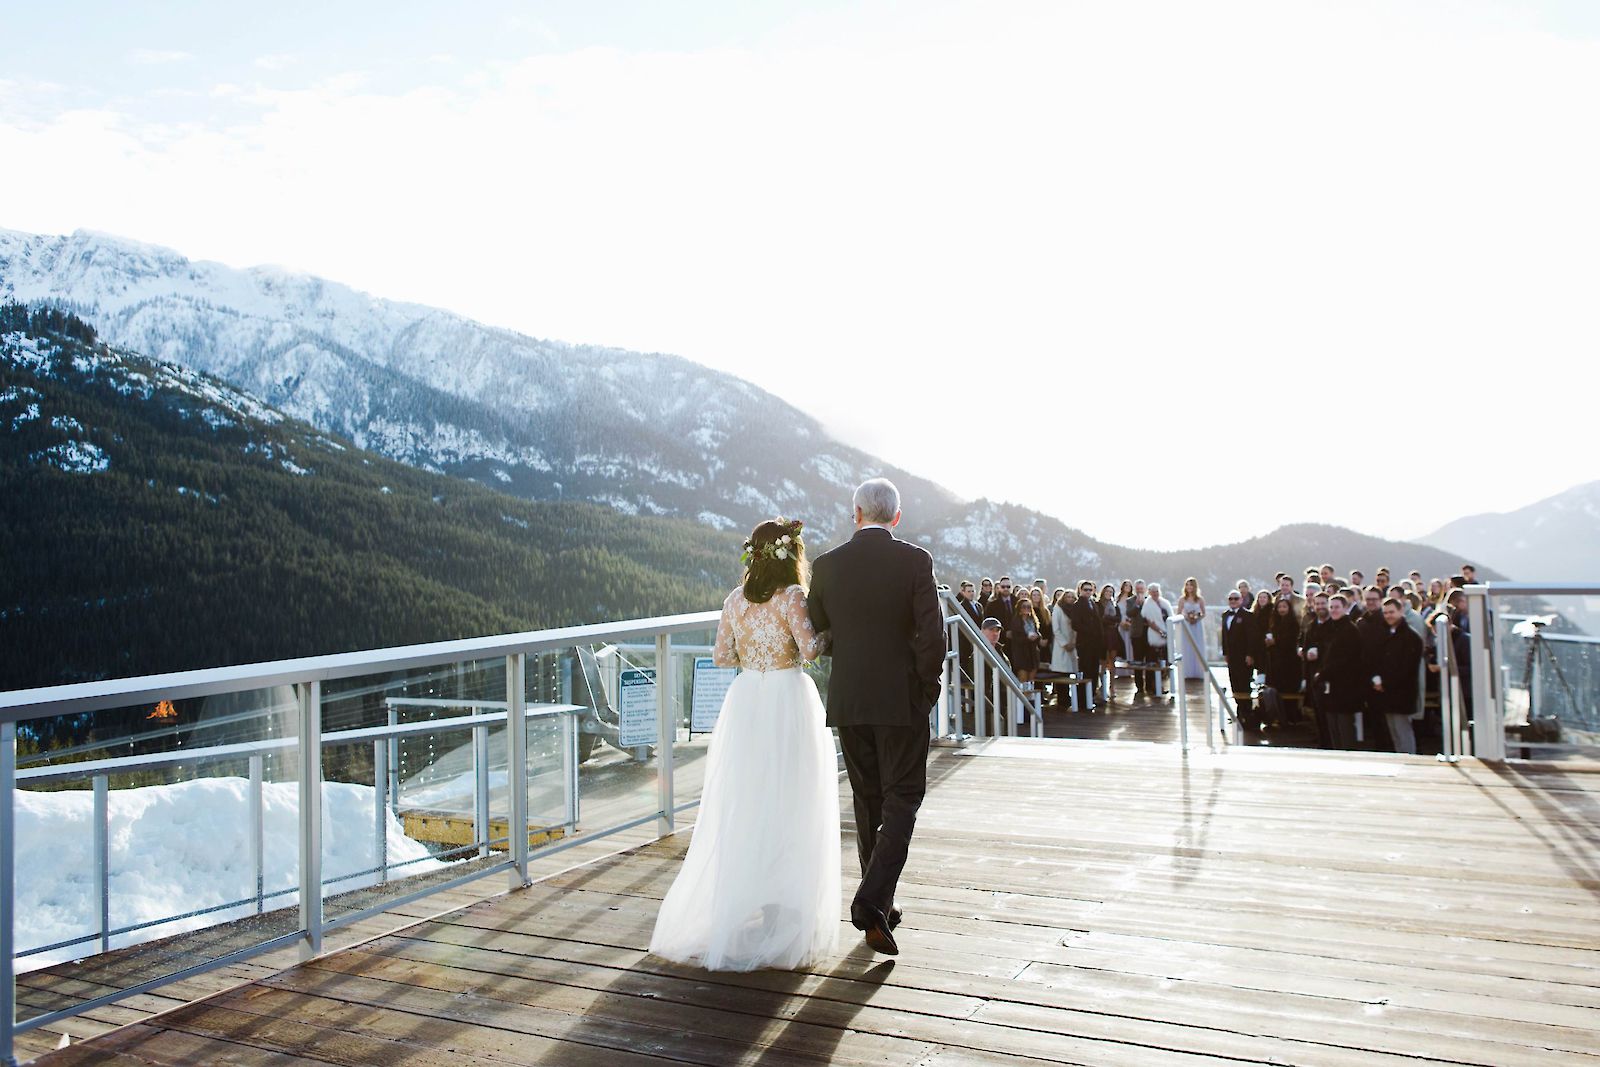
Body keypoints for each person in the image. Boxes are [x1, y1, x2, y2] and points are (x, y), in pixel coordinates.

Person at [650, 517, 839, 972]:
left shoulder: (734, 601)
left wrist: (752, 655)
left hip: (747, 700)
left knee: (748, 799)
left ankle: (748, 894)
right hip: (786, 699)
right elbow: (810, 649)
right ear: (790, 555)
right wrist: (832, 634)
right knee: (793, 798)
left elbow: (720, 655)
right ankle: (785, 903)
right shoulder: (792, 597)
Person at [806, 478, 944, 956]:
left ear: (857, 513)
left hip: (849, 700)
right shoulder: (915, 561)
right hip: (901, 702)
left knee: (866, 801)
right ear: (896, 517)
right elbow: (933, 635)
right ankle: (870, 901)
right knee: (903, 799)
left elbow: (816, 630)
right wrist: (927, 689)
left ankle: (878, 905)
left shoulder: (825, 566)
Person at [1370, 596, 1425, 754]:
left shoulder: (1411, 637)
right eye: (1385, 613)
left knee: (1403, 732)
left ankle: (1409, 762)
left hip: (1402, 693)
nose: (1388, 616)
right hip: (1386, 692)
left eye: (1392, 612)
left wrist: (1385, 683)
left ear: (1401, 611)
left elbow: (1406, 668)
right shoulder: (1386, 633)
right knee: (1394, 732)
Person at [1317, 594, 1365, 749]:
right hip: (1331, 685)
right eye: (1331, 607)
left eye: (1337, 607)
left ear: (1345, 608)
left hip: (1346, 686)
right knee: (1333, 726)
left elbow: (1345, 660)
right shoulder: (1329, 628)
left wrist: (1324, 673)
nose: (1333, 610)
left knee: (1344, 728)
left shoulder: (1350, 630)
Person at [1263, 596, 1303, 723]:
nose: (1281, 609)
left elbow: (1290, 641)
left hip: (1289, 661)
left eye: (1284, 607)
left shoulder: (1293, 623)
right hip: (1275, 661)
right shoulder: (1274, 623)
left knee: (1288, 690)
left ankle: (1291, 716)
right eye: (1279, 607)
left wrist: (1276, 641)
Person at [1220, 590, 1255, 720]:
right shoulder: (1225, 615)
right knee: (1234, 683)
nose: (1233, 601)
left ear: (1241, 600)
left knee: (1245, 683)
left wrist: (1250, 654)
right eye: (1230, 599)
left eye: (1236, 599)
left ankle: (1247, 712)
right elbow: (1224, 636)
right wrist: (1225, 653)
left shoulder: (1248, 615)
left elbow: (1251, 637)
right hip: (1232, 656)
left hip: (1244, 655)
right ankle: (1239, 711)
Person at [1070, 580, 1105, 710]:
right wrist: (1089, 630)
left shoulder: (1094, 604)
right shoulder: (1077, 605)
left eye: (1090, 590)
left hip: (1095, 643)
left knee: (1094, 671)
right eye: (1085, 590)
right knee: (1085, 671)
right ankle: (1082, 700)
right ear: (1080, 590)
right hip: (1085, 643)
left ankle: (1091, 696)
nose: (1088, 592)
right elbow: (1075, 624)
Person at [1141, 582, 1172, 694]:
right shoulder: (1148, 604)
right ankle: (1151, 686)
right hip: (1155, 635)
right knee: (1153, 662)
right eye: (1153, 592)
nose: (1155, 593)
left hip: (1166, 634)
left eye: (1157, 591)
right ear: (1149, 593)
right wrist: (1160, 632)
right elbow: (1150, 621)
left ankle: (1161, 685)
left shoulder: (1164, 603)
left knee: (1164, 662)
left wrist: (1168, 632)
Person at [1049, 588, 1078, 706]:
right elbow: (1056, 628)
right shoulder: (1058, 609)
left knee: (1070, 672)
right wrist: (1064, 643)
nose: (1070, 599)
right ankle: (1062, 699)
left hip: (1072, 644)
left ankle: (1069, 698)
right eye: (1068, 597)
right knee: (1061, 673)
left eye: (1072, 597)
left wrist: (1073, 642)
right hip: (1061, 645)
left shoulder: (1075, 610)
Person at [1178, 577, 1207, 680]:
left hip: (1197, 625)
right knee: (1187, 647)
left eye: (1191, 585)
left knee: (1198, 646)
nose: (1189, 587)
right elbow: (1178, 613)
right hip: (1186, 625)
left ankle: (1198, 671)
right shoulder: (1182, 599)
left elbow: (1204, 613)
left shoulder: (1200, 599)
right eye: (1187, 585)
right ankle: (1188, 672)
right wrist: (1187, 617)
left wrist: (1197, 618)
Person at [1098, 582, 1122, 699]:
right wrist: (1110, 620)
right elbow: (1100, 619)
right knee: (1102, 662)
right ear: (1103, 592)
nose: (1109, 594)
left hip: (1113, 634)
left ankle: (1112, 687)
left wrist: (1109, 619)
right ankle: (1102, 686)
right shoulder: (1098, 604)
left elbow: (1118, 618)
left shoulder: (1114, 605)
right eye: (1107, 591)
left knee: (1112, 660)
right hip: (1102, 635)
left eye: (1111, 592)